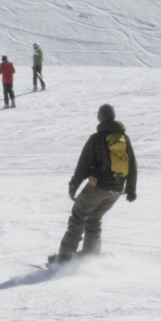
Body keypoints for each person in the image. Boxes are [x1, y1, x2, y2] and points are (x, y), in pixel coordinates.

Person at [52, 104, 137, 262]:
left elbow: (82, 166)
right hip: (117, 190)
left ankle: (64, 258)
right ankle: (90, 257)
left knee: (78, 216)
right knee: (94, 218)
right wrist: (131, 190)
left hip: (98, 187)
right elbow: (132, 165)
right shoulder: (124, 138)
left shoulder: (97, 138)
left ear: (100, 118)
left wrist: (73, 186)